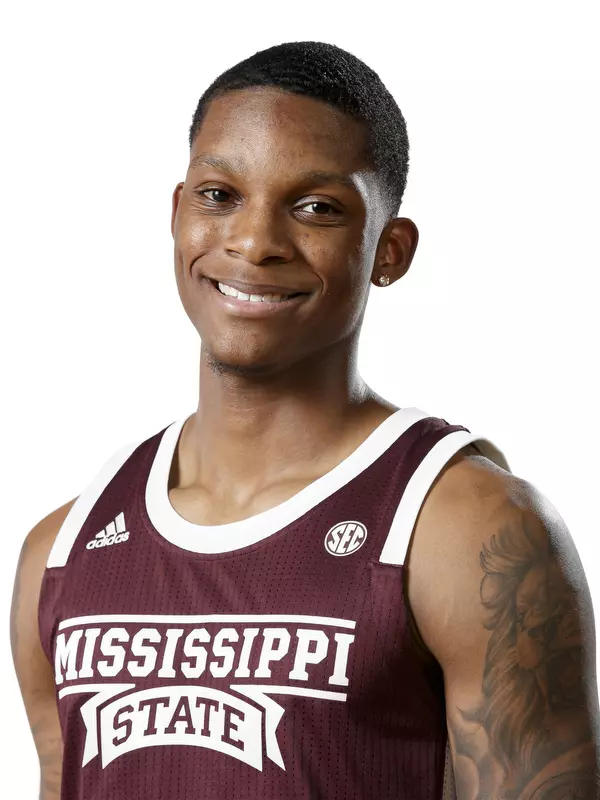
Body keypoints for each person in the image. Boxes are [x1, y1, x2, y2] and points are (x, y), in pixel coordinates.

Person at [10, 40, 600, 800]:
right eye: (219, 195)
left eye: (316, 207)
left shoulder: (469, 529)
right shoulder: (61, 552)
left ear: (390, 250)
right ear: (176, 213)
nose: (254, 242)